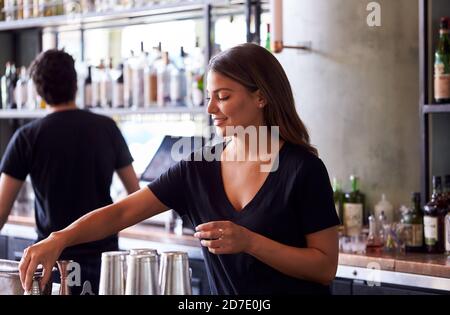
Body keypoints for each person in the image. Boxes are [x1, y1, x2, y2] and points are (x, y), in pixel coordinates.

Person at [18, 43, 339, 295]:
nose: (211, 109)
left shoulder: (303, 170)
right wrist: (58, 238)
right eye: (209, 97)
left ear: (261, 98)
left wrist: (250, 242)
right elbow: (119, 214)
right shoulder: (198, 168)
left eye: (223, 97)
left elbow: (324, 267)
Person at [0, 49, 140, 294]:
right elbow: (134, 193)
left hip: (51, 263)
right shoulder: (106, 128)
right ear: (75, 84)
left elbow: (1, 212)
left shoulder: (27, 137)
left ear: (38, 90)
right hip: (104, 262)